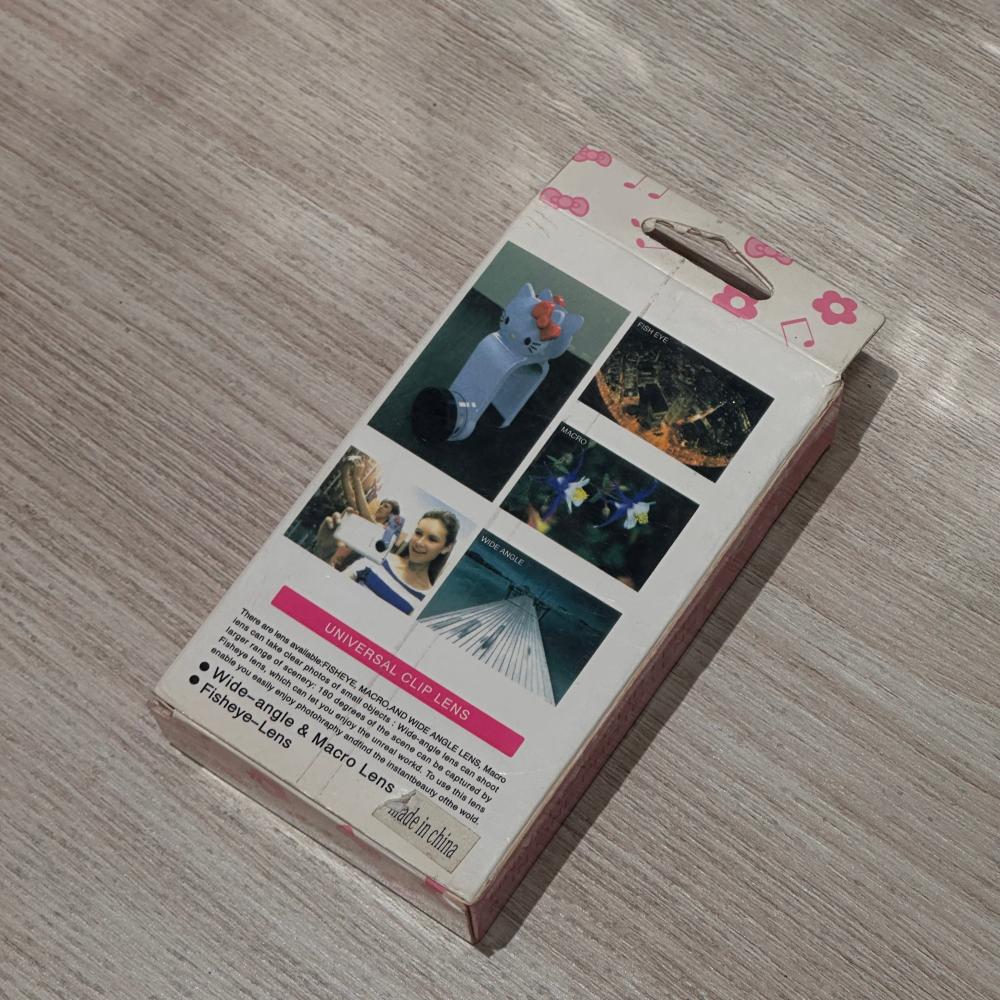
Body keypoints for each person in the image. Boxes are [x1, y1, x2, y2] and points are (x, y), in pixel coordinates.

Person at [351, 510, 459, 615]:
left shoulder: (424, 600)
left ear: (446, 548)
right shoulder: (380, 558)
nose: (419, 542)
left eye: (432, 539)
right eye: (418, 533)